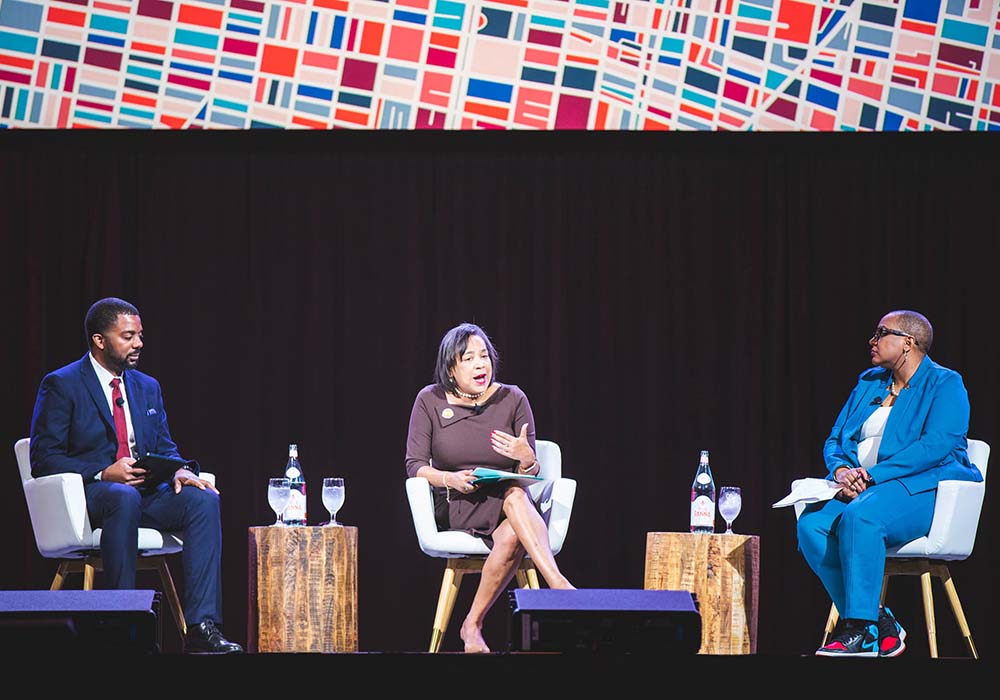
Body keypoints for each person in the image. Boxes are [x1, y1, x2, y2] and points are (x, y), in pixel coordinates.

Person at [29, 297, 243, 654]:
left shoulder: (147, 386)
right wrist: (102, 472)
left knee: (202, 500)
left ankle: (202, 627)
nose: (138, 343)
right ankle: (123, 622)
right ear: (100, 340)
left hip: (146, 492)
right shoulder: (62, 384)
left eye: (140, 336)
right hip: (93, 496)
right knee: (122, 496)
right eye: (128, 336)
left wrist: (178, 469)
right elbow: (43, 458)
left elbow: (164, 444)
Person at [796, 309, 981, 658]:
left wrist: (871, 475)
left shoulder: (944, 383)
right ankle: (878, 622)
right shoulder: (869, 382)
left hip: (922, 487)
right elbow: (835, 438)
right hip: (864, 487)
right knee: (812, 525)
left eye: (882, 333)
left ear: (908, 343)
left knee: (862, 518)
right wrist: (841, 472)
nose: (873, 340)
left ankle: (859, 630)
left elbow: (937, 445)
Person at [405, 322, 574, 653]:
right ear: (451, 369)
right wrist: (449, 478)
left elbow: (529, 472)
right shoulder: (430, 400)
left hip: (510, 500)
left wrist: (527, 458)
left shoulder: (512, 398)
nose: (480, 364)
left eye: (484, 356)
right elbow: (415, 465)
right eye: (468, 358)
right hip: (458, 499)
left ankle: (472, 625)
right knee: (515, 505)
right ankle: (560, 587)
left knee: (514, 501)